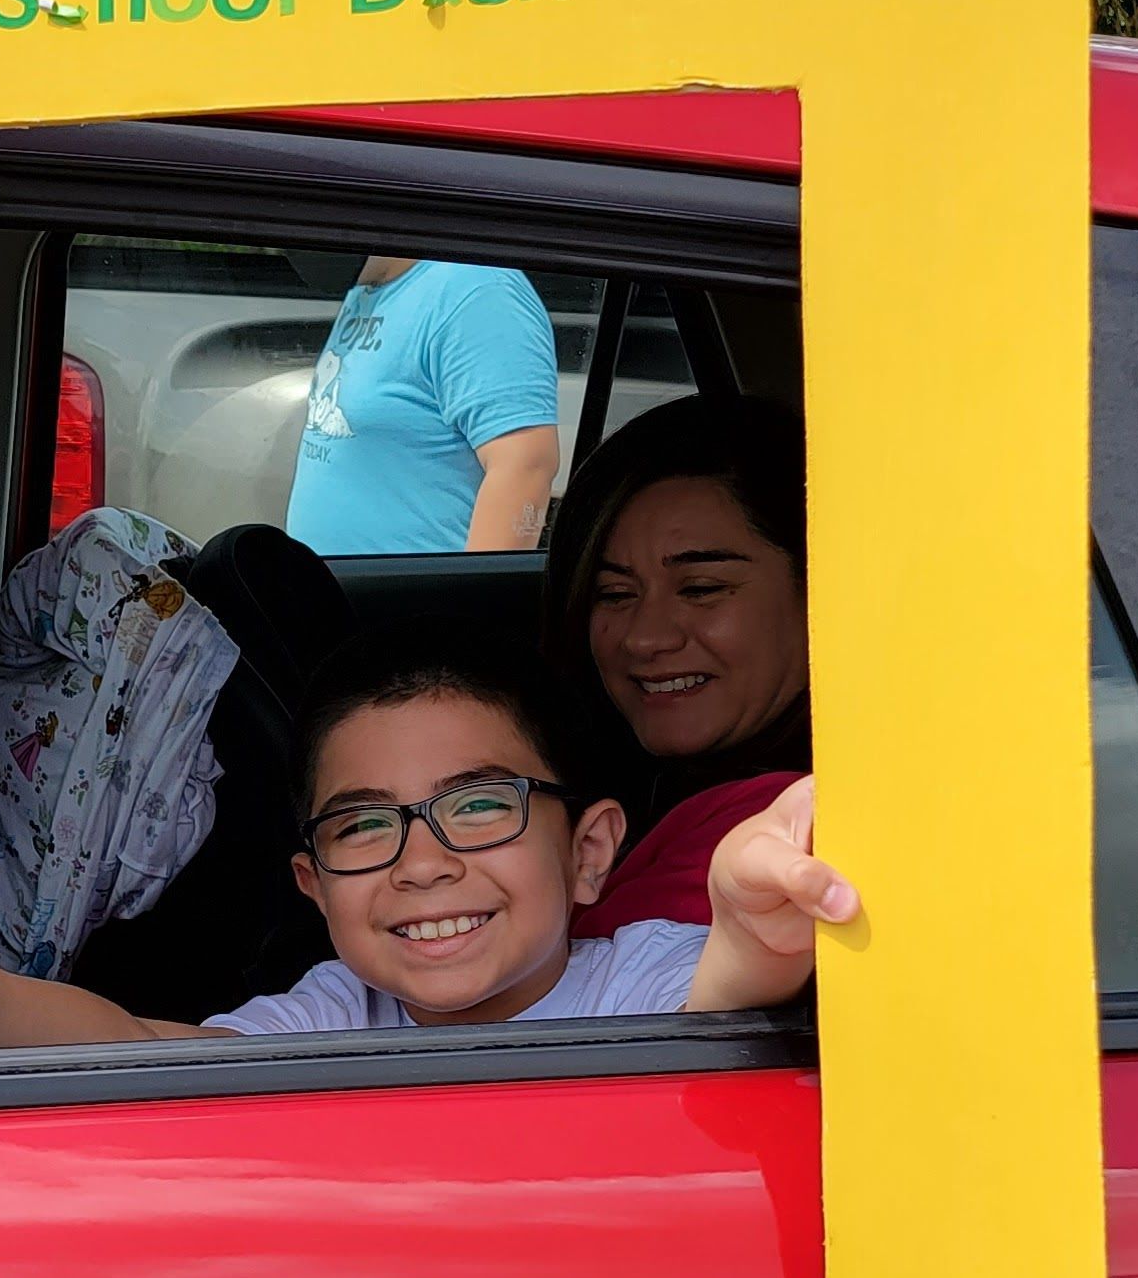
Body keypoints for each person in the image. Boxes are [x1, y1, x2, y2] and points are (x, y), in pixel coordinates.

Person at [0, 646, 856, 1068]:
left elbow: (724, 994)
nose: (422, 862)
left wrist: (753, 921)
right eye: (365, 827)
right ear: (314, 887)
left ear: (589, 853)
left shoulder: (635, 975)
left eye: (480, 807)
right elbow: (138, 1043)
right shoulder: (335, 1013)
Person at [541, 393, 811, 942]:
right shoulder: (621, 791)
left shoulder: (780, 832)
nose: (646, 638)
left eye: (702, 589)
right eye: (614, 594)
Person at [285, 256, 559, 556]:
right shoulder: (369, 287)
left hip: (414, 599)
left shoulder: (479, 291)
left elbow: (526, 465)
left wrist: (479, 598)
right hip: (329, 593)